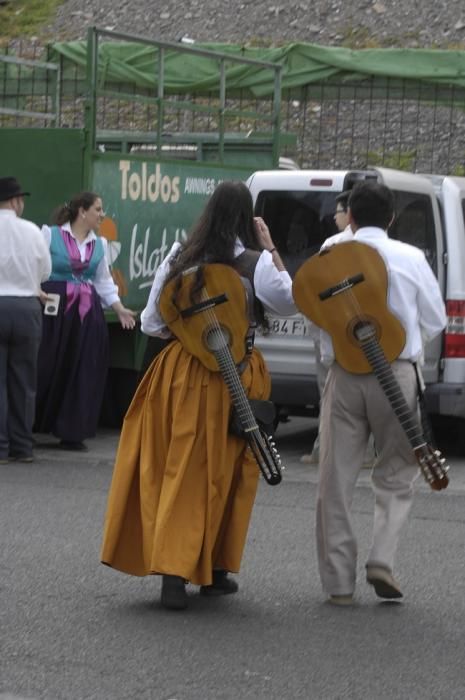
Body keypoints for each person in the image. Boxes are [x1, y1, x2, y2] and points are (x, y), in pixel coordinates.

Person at [100, 180, 296, 610]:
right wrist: (272, 249)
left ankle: (174, 573)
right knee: (232, 473)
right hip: (239, 378)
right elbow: (288, 302)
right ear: (248, 218)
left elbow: (153, 322)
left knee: (183, 470)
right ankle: (215, 570)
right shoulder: (255, 262)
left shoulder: (178, 256)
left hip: (183, 374)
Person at [310, 181, 446, 605]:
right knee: (397, 473)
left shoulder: (330, 253)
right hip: (397, 373)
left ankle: (338, 583)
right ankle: (382, 559)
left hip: (346, 373)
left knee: (336, 478)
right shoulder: (410, 257)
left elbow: (315, 317)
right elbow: (436, 320)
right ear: (391, 218)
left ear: (348, 215)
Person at [34, 191, 136, 451]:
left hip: (86, 314)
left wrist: (120, 308)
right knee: (45, 365)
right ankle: (29, 424)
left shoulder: (100, 245)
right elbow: (35, 268)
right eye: (98, 209)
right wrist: (35, 289)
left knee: (82, 369)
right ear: (83, 211)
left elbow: (103, 282)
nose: (102, 214)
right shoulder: (51, 235)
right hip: (54, 311)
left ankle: (72, 431)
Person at [301, 191, 376, 467]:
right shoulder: (382, 248)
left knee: (331, 399)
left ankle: (325, 450)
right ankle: (367, 452)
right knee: (369, 399)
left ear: (350, 215)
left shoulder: (333, 244)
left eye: (339, 211)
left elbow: (315, 291)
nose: (334, 216)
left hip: (332, 339)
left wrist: (317, 331)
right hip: (369, 337)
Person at [0, 177, 51, 464]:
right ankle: (22, 446)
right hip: (26, 307)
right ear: (16, 201)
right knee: (23, 380)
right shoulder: (31, 231)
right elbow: (45, 271)